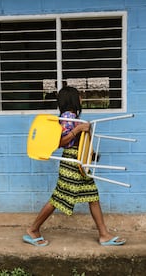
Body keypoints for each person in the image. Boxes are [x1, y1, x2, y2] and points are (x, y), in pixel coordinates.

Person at [22, 86, 126, 247]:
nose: (81, 99)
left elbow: (80, 141)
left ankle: (104, 234)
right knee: (59, 198)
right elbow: (60, 142)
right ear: (73, 99)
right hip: (72, 163)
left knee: (93, 196)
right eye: (79, 96)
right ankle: (33, 229)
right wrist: (77, 129)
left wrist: (90, 153)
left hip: (79, 162)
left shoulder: (73, 117)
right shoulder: (68, 118)